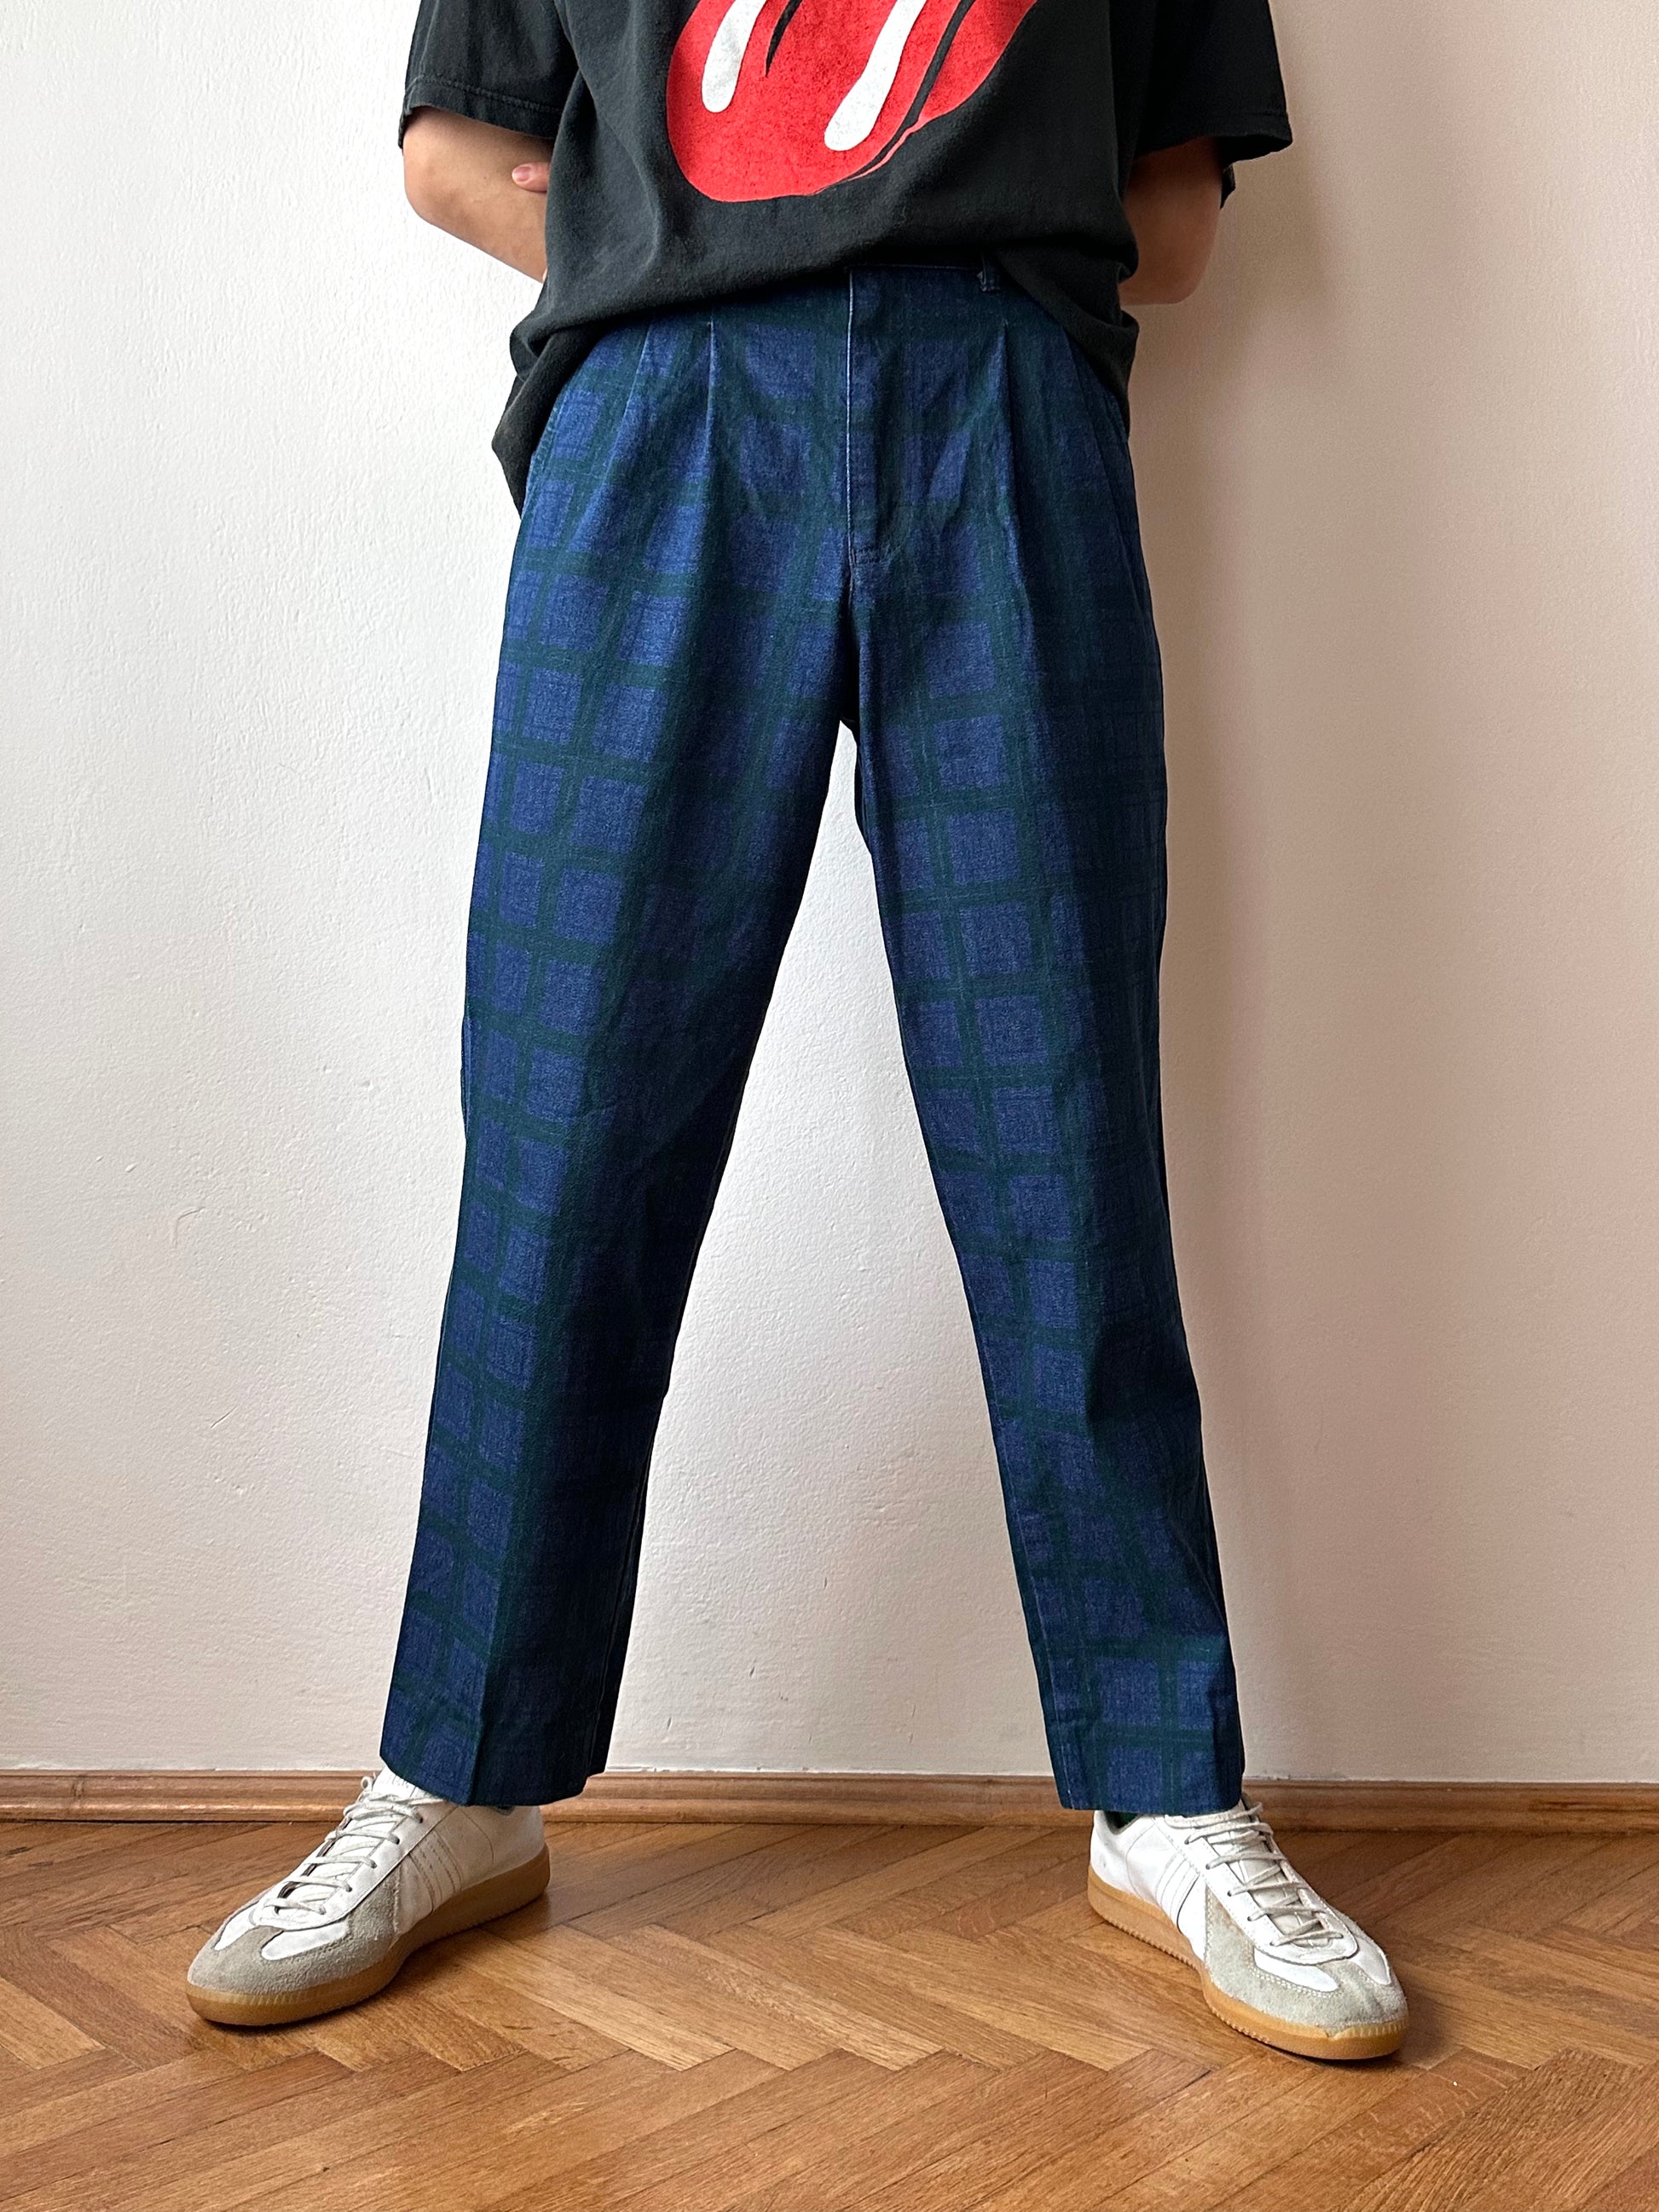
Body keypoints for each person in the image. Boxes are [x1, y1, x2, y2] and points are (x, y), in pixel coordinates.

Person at [186, 0, 1408, 2063]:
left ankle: (1164, 1787)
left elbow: (1177, 213)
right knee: (566, 1136)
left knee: (1062, 1147)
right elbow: (453, 153)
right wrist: (708, 259)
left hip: (1000, 419)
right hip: (657, 426)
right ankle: (458, 1771)